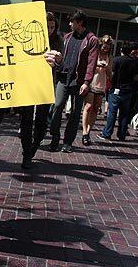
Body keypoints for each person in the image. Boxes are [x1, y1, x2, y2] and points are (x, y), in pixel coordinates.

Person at [47, 10, 99, 153]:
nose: (69, 24)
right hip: (63, 78)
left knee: (75, 113)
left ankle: (68, 142)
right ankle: (54, 138)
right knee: (57, 107)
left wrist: (87, 82)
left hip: (79, 82)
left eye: (72, 22)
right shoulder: (67, 37)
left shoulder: (92, 40)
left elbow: (91, 63)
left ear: (80, 23)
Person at [19, 12, 64, 168]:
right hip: (29, 82)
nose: (50, 29)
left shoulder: (57, 40)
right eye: (47, 26)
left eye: (53, 26)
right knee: (26, 118)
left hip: (45, 84)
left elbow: (60, 61)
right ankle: (26, 153)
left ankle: (34, 146)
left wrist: (57, 59)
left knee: (41, 120)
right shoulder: (30, 36)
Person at [97, 42, 138, 142]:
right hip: (129, 90)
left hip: (117, 89)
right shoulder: (135, 62)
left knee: (112, 113)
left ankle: (107, 133)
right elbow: (137, 77)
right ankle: (121, 134)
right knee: (124, 114)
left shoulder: (117, 60)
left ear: (121, 50)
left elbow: (112, 75)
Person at [80, 35, 114, 146]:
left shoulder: (110, 57)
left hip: (101, 84)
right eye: (104, 47)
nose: (105, 49)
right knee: (88, 106)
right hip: (91, 82)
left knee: (95, 108)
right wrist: (97, 64)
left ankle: (88, 132)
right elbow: (88, 67)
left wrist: (107, 67)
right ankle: (84, 132)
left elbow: (110, 75)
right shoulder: (94, 53)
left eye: (107, 47)